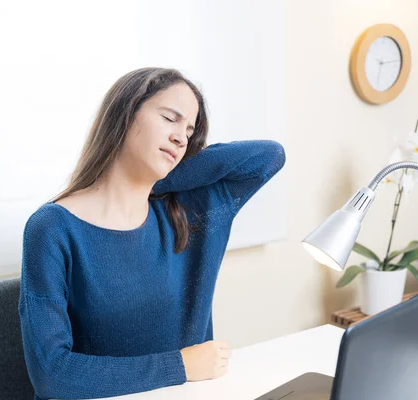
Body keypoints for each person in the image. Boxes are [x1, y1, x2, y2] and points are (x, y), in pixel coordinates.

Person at [19, 67, 286, 399]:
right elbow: (52, 374)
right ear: (126, 114)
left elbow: (268, 156)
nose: (181, 138)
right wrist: (181, 366)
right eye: (170, 119)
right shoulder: (51, 228)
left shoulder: (188, 213)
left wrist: (149, 178)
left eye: (189, 131)